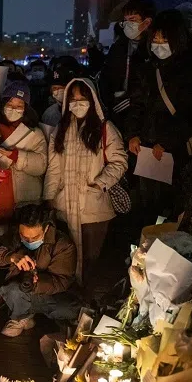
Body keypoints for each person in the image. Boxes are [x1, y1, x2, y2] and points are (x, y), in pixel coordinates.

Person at [124, 9, 192, 223]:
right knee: (147, 205)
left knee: (172, 204)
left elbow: (191, 114)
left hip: (175, 151)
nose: (158, 45)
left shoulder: (191, 71)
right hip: (147, 149)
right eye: (155, 39)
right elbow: (137, 105)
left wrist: (167, 142)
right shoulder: (148, 69)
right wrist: (133, 135)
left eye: (164, 40)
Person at [43, 78, 128, 284]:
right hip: (64, 205)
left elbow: (119, 162)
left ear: (93, 99)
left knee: (90, 261)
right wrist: (48, 198)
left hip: (94, 207)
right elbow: (54, 168)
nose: (77, 103)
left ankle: (86, 303)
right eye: (73, 99)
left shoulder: (105, 128)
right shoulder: (60, 130)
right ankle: (70, 303)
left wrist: (99, 184)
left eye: (82, 98)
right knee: (66, 258)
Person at [0, 204, 80, 336]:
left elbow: (62, 281)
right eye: (25, 237)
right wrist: (10, 257)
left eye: (34, 238)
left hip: (50, 294)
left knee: (69, 309)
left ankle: (32, 312)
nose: (29, 240)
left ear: (46, 228)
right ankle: (21, 316)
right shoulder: (14, 236)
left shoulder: (63, 245)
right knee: (13, 290)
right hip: (20, 290)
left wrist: (37, 282)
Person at [0, 81, 48, 252]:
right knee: (0, 247)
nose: (14, 109)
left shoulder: (35, 134)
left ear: (26, 108)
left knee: (27, 247)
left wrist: (17, 156)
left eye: (19, 105)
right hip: (0, 201)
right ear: (2, 105)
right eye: (10, 103)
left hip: (27, 201)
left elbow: (42, 165)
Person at [99, 0, 156, 121]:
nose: (128, 25)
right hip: (117, 113)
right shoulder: (119, 47)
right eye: (125, 21)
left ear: (147, 22)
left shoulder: (156, 49)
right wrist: (111, 101)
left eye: (133, 20)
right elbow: (106, 76)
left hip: (145, 116)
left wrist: (129, 100)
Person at [41, 60, 83, 135]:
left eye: (61, 87)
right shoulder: (50, 114)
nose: (58, 91)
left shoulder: (80, 107)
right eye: (54, 88)